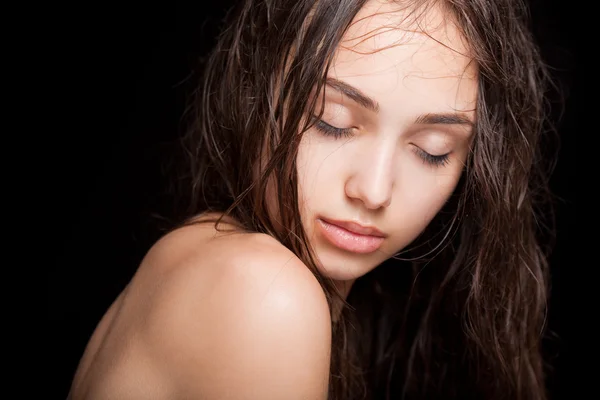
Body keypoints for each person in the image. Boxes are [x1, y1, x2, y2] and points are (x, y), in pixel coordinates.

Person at [68, 0, 557, 398]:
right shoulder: (262, 293)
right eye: (332, 121)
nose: (373, 190)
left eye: (433, 150)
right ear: (254, 86)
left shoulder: (205, 257)